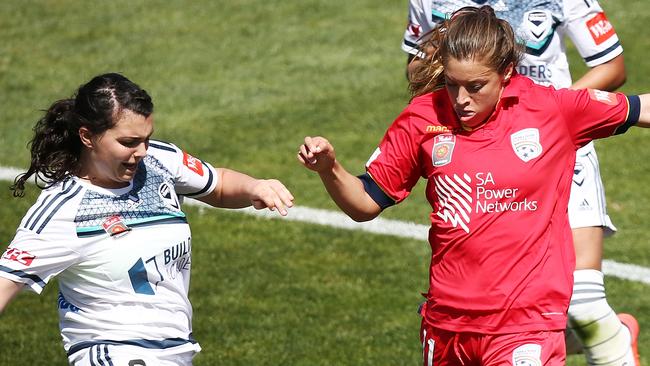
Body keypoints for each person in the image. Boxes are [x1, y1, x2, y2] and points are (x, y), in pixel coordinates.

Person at [298, 6, 648, 366]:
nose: (461, 99)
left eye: (476, 86)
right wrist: (330, 168)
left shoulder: (551, 110)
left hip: (525, 324)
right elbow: (366, 201)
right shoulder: (423, 118)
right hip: (446, 326)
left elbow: (639, 108)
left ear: (506, 72)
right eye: (452, 84)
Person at [401, 1, 640, 365]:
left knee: (586, 306)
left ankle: (609, 342)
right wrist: (446, 54)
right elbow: (416, 69)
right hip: (476, 151)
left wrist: (554, 116)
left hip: (554, 146)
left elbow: (612, 65)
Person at [0, 73, 294, 366]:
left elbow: (217, 185)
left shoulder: (158, 160)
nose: (141, 152)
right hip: (115, 353)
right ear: (87, 136)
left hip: (173, 352)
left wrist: (255, 186)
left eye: (146, 139)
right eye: (129, 142)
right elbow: (5, 283)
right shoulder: (63, 212)